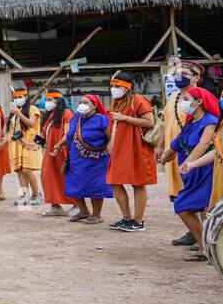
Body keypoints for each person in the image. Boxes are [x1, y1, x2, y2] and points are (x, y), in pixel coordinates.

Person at [159, 87, 220, 262]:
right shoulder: (191, 121)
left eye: (186, 99)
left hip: (206, 173)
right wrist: (165, 156)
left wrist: (189, 162)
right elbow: (178, 143)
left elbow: (204, 144)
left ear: (199, 101)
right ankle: (206, 248)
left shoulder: (210, 120)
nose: (183, 103)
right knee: (185, 206)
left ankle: (209, 249)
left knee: (191, 207)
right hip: (191, 174)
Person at [158, 59, 205, 248]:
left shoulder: (202, 97)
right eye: (177, 73)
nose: (179, 76)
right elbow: (166, 122)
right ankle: (193, 232)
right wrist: (161, 145)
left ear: (196, 78)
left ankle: (207, 237)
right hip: (175, 154)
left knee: (201, 197)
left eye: (184, 74)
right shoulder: (174, 97)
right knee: (180, 195)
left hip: (195, 155)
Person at [105, 70, 157, 232]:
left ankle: (138, 221)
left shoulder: (138, 100)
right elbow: (114, 125)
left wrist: (125, 118)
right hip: (119, 149)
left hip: (136, 148)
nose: (113, 88)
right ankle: (126, 218)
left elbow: (149, 122)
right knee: (114, 181)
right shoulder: (117, 102)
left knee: (138, 183)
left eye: (116, 85)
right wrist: (110, 143)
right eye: (112, 85)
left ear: (126, 87)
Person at [61, 93, 111, 224]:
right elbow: (69, 134)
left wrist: (110, 151)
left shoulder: (102, 119)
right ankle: (83, 211)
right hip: (76, 159)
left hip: (96, 161)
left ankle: (96, 214)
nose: (82, 105)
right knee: (73, 185)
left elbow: (111, 137)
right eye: (81, 102)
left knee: (95, 186)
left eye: (86, 103)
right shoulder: (77, 118)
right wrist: (58, 145)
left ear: (94, 105)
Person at [39, 91, 75, 217]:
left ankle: (77, 205)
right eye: (46, 99)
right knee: (48, 176)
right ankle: (55, 206)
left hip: (64, 151)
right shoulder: (49, 115)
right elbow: (47, 132)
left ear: (58, 100)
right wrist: (41, 138)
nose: (47, 102)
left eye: (49, 100)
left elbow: (68, 133)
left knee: (67, 177)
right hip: (51, 152)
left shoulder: (67, 114)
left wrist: (59, 144)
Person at [6, 87, 43, 206]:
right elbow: (11, 129)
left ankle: (37, 194)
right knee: (20, 170)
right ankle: (24, 195)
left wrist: (18, 113)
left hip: (29, 144)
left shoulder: (32, 109)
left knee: (27, 170)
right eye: (15, 97)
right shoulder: (14, 112)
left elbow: (31, 124)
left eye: (20, 97)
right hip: (16, 145)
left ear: (26, 97)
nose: (17, 99)